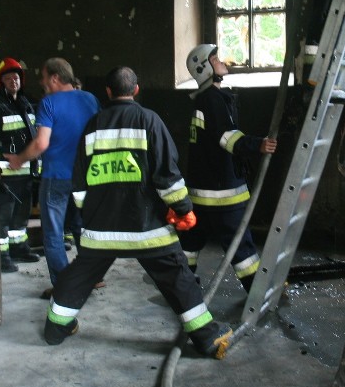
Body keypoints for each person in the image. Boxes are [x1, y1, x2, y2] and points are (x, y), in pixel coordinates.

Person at [43, 66, 233, 359]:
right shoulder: (149, 121)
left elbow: (78, 182)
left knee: (79, 275)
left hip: (101, 232)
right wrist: (183, 209)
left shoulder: (93, 126)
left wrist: (89, 214)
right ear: (136, 90)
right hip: (149, 231)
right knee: (177, 277)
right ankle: (207, 338)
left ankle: (55, 328)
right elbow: (167, 175)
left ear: (107, 92)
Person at [182, 44, 277, 293]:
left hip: (200, 192)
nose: (221, 61)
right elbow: (227, 137)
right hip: (221, 195)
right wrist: (259, 145)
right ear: (205, 68)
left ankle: (182, 286)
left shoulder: (204, 100)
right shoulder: (213, 99)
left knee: (190, 242)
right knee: (241, 247)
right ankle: (258, 293)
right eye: (215, 59)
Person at [5, 57, 99, 298]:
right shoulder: (90, 99)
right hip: (86, 177)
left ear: (55, 78)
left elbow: (41, 143)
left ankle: (63, 286)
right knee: (82, 228)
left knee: (54, 233)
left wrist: (19, 159)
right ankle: (93, 278)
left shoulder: (48, 103)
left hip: (56, 176)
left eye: (44, 77)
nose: (42, 82)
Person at [0, 57, 40, 273]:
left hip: (26, 172)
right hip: (7, 172)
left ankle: (18, 247)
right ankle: (1, 255)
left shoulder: (26, 103)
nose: (13, 81)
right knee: (4, 215)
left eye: (16, 77)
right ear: (0, 81)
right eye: (8, 78)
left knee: (21, 214)